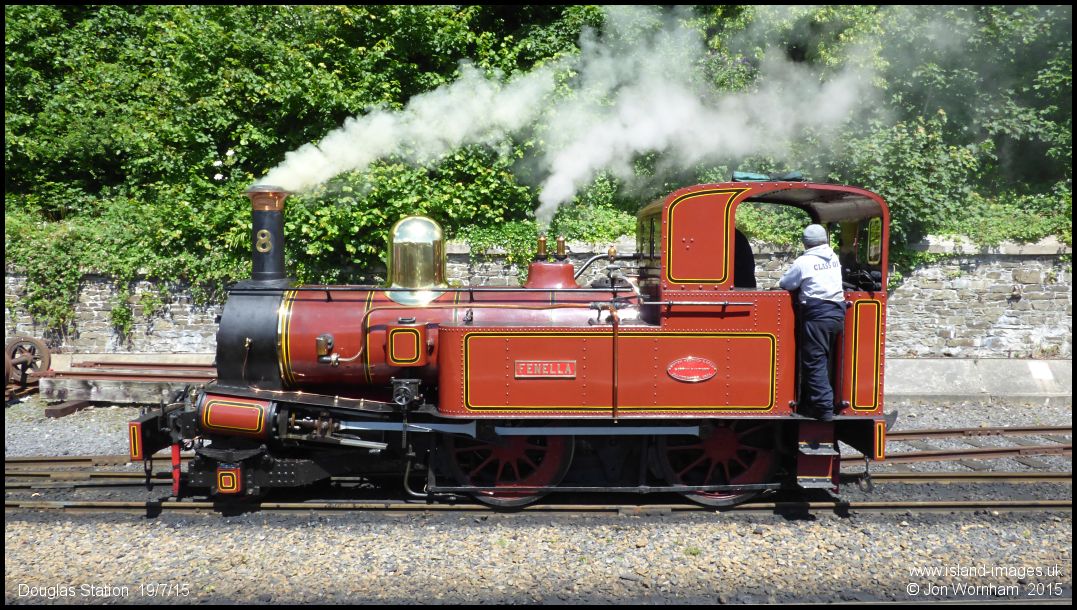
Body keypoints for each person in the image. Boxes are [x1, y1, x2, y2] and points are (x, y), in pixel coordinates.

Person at [778, 224, 847, 421]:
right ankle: (812, 403)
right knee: (823, 359)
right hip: (836, 313)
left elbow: (787, 283)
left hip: (817, 315)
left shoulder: (804, 261)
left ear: (806, 243)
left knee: (814, 362)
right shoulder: (833, 257)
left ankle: (823, 409)